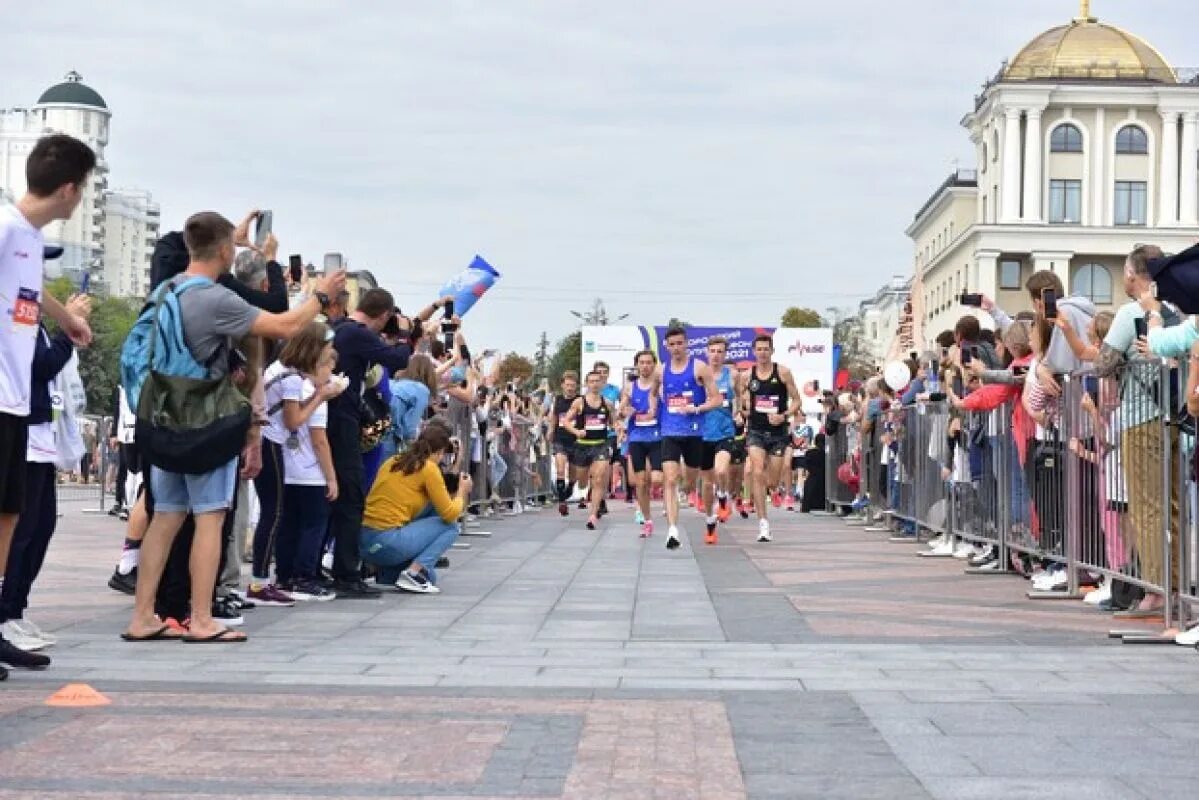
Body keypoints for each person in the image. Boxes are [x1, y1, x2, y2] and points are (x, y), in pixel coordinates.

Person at [121, 211, 346, 644]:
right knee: (210, 519)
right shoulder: (213, 298)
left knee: (165, 518)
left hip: (163, 418)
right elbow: (282, 323)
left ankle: (143, 616)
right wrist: (320, 295)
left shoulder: (165, 291)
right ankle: (202, 619)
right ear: (226, 250)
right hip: (202, 423)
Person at [0, 135, 96, 677]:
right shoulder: (6, 226)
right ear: (68, 189)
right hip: (0, 394)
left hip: (18, 400)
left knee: (11, 513)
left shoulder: (30, 240)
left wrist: (65, 318)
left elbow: (29, 282)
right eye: (81, 191)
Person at [0, 284, 90, 657]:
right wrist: (68, 327)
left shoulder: (32, 314)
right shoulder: (17, 310)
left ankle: (15, 608)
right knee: (19, 529)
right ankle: (5, 612)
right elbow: (40, 365)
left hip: (40, 433)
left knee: (40, 526)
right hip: (22, 429)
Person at [1095, 244, 1181, 619]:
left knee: (1146, 508)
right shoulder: (1177, 309)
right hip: (1175, 418)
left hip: (1139, 417)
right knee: (1173, 507)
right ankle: (1176, 586)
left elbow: (1104, 363)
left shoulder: (1131, 313)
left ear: (1133, 273)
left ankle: (1154, 591)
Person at [249, 322, 345, 605]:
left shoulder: (277, 370)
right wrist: (320, 397)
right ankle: (260, 581)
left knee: (278, 515)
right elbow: (294, 421)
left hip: (270, 443)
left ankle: (267, 578)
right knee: (274, 514)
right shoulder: (291, 379)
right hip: (271, 443)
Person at [326, 288, 412, 598]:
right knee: (351, 496)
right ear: (385, 315)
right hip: (342, 420)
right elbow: (397, 359)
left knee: (334, 495)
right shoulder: (357, 333)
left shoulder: (340, 328)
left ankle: (320, 568)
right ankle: (346, 574)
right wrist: (404, 335)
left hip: (331, 418)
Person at [361, 421, 471, 593]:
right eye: (443, 454)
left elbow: (439, 500)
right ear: (439, 452)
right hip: (388, 540)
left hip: (364, 540)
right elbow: (449, 514)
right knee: (451, 527)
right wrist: (462, 493)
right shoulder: (429, 468)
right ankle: (413, 573)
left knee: (430, 577)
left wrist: (454, 465)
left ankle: (384, 573)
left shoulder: (394, 461)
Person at [276, 329, 341, 602]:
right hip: (310, 471)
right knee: (314, 525)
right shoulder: (317, 395)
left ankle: (285, 575)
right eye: (329, 366)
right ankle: (305, 576)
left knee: (289, 523)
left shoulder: (292, 383)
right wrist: (331, 477)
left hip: (288, 469)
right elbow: (320, 440)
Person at [656, 327, 721, 550]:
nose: (676, 348)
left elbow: (717, 400)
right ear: (666, 347)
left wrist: (696, 408)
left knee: (690, 482)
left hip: (694, 431)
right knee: (670, 479)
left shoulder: (699, 368)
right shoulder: (661, 370)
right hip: (670, 431)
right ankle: (672, 530)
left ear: (686, 345)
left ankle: (688, 492)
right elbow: (653, 395)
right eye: (671, 344)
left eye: (679, 343)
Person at [743, 334, 802, 543]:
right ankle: (763, 523)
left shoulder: (783, 372)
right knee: (757, 472)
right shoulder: (747, 376)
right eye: (758, 349)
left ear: (772, 351)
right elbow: (740, 397)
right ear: (753, 352)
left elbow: (797, 400)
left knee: (772, 480)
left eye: (766, 349)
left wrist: (784, 415)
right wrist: (741, 410)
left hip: (778, 434)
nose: (762, 353)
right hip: (756, 432)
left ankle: (773, 490)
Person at [562, 371, 617, 530]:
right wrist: (576, 432)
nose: (594, 384)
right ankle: (580, 488)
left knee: (599, 478)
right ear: (586, 384)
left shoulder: (607, 403)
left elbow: (613, 422)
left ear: (602, 384)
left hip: (600, 444)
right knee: (582, 481)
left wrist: (618, 428)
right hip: (582, 445)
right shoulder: (579, 402)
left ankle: (593, 514)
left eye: (597, 381)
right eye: (591, 381)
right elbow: (566, 421)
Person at [620, 350, 663, 538]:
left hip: (657, 437)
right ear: (637, 365)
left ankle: (668, 494)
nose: (645, 366)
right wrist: (624, 411)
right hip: (637, 437)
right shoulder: (630, 387)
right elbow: (620, 410)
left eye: (648, 362)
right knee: (640, 482)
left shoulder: (660, 386)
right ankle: (647, 520)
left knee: (656, 479)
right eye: (642, 362)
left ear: (654, 365)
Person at [699, 338, 738, 545]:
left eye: (720, 351)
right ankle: (710, 522)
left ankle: (723, 496)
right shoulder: (699, 377)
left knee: (721, 471)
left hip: (724, 432)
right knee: (706, 484)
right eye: (712, 351)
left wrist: (741, 410)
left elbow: (741, 397)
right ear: (707, 353)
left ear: (725, 355)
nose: (715, 355)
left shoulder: (731, 376)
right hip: (703, 434)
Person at [548, 372, 580, 516]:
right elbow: (554, 417)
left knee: (573, 474)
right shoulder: (558, 399)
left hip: (575, 440)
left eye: (572, 386)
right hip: (560, 438)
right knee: (560, 469)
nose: (570, 388)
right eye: (567, 385)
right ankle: (562, 502)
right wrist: (550, 430)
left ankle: (571, 487)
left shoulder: (580, 400)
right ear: (562, 385)